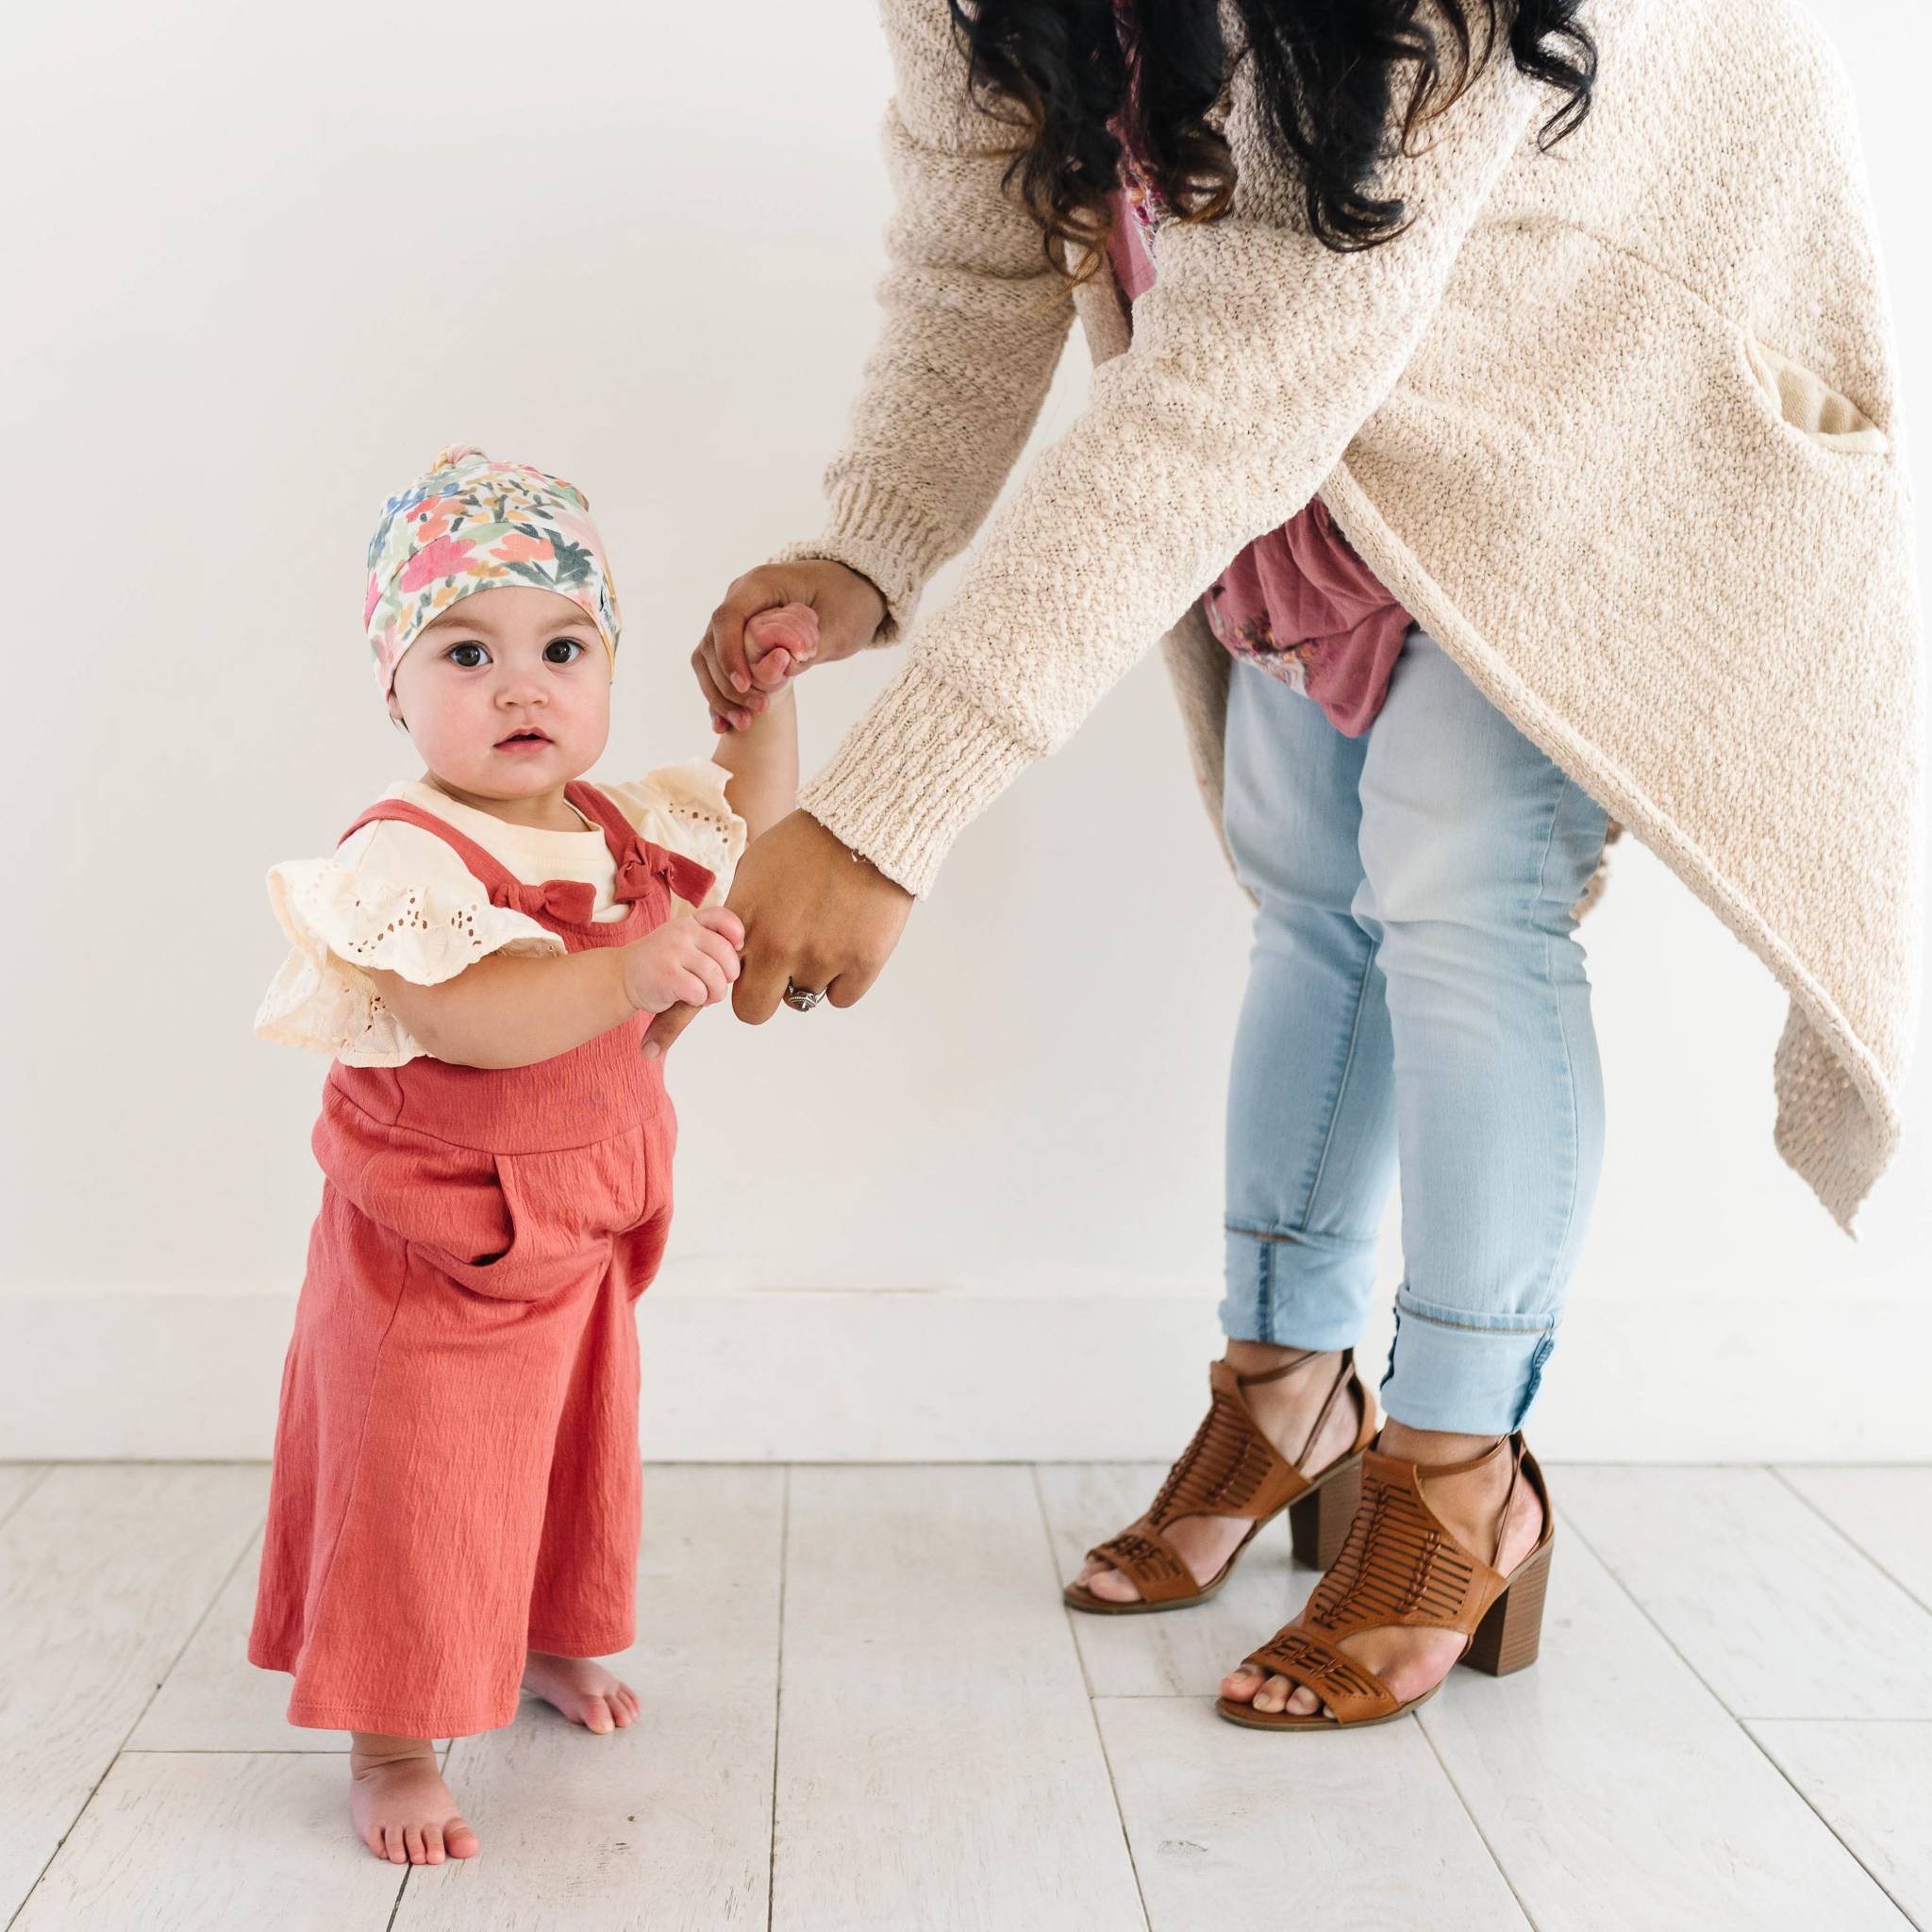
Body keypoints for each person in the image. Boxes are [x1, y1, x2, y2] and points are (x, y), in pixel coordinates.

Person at [664, 0, 1921, 1732]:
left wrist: (890, 811)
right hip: (1318, 422)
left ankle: (1462, 1470)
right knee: (1308, 876)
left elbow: (1236, 380)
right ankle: (1286, 1389)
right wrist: (874, 542)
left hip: (1578, 383)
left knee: (1464, 884)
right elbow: (980, 249)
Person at [247, 445, 806, 1858]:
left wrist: (769, 703)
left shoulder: (619, 828)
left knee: (567, 1450)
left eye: (564, 646)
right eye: (464, 650)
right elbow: (475, 1018)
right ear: (394, 682)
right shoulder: (407, 855)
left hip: (591, 1211)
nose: (521, 685)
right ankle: (389, 1739)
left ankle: (552, 1634)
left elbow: (764, 822)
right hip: (438, 1238)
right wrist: (629, 980)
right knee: (420, 1474)